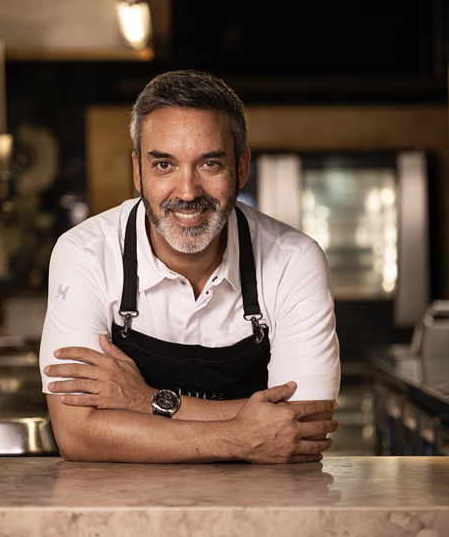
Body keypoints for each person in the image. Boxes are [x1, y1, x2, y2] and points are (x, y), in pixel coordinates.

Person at [39, 70, 341, 463]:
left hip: (260, 511)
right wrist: (241, 435)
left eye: (210, 164)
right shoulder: (84, 254)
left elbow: (304, 428)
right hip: (126, 513)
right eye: (164, 165)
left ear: (242, 167)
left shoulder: (294, 260)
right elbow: (77, 436)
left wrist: (142, 400)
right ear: (138, 172)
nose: (186, 191)